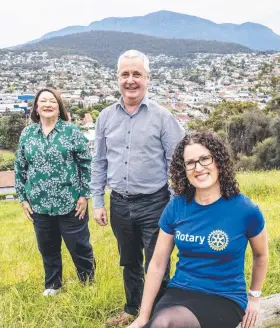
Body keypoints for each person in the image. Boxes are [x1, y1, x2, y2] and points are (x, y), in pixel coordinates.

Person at [128, 132, 269, 328]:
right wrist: (143, 316)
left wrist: (254, 297)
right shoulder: (176, 207)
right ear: (183, 169)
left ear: (218, 161)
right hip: (179, 291)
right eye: (191, 162)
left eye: (205, 159)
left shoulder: (246, 210)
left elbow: (261, 255)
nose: (198, 168)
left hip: (224, 297)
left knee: (164, 322)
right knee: (158, 321)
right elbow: (158, 263)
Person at [91, 49, 185, 326]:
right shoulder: (105, 117)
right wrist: (98, 201)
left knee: (158, 263)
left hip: (156, 203)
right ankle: (132, 309)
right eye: (125, 74)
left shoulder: (163, 117)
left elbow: (178, 163)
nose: (130, 80)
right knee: (128, 261)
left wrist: (176, 204)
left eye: (136, 74)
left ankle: (159, 314)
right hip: (119, 202)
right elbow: (99, 162)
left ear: (147, 78)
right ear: (117, 78)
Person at [15, 88, 94, 296]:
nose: (48, 104)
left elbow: (86, 164)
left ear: (59, 107)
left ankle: (87, 283)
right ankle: (53, 285)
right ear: (36, 108)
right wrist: (23, 199)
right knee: (47, 248)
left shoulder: (71, 131)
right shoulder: (28, 134)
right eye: (43, 101)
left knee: (79, 247)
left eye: (52, 101)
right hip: (39, 204)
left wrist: (84, 195)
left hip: (71, 203)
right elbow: (20, 167)